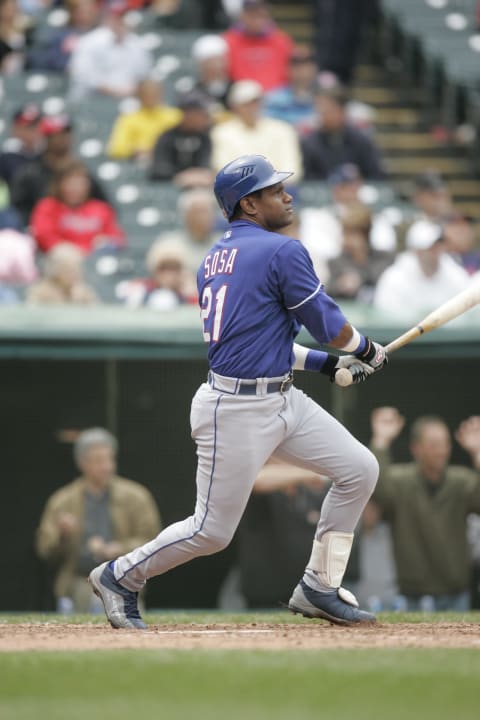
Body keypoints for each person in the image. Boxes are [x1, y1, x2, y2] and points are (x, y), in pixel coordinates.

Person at [88, 153, 388, 629]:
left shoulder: (215, 258)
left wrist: (330, 367)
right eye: (274, 191)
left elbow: (267, 343)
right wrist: (365, 349)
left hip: (280, 396)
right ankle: (119, 575)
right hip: (236, 407)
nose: (286, 196)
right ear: (248, 204)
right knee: (211, 532)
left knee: (358, 469)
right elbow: (331, 326)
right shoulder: (281, 250)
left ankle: (319, 585)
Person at [36, 427, 161, 613]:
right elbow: (45, 550)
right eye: (98, 461)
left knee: (122, 611)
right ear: (82, 463)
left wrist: (119, 548)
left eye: (109, 459)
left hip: (122, 580)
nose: (107, 466)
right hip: (79, 581)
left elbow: (155, 542)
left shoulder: (136, 497)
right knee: (88, 599)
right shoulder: (62, 501)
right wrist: (61, 534)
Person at [369, 407, 480, 611]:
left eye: (445, 444)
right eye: (434, 445)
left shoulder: (461, 481)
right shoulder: (401, 481)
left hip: (456, 592)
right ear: (416, 448)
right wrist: (381, 441)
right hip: (412, 593)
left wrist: (478, 453)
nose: (442, 450)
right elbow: (377, 487)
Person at [232, 458, 361, 609]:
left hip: (307, 596)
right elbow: (257, 481)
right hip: (266, 595)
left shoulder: (308, 493)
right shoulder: (260, 491)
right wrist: (308, 473)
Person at [10, 113, 109, 226]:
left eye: (65, 134)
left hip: (80, 231)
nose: (62, 139)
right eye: (55, 135)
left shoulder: (81, 171)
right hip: (41, 232)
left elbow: (104, 207)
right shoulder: (31, 173)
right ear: (46, 138)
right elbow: (19, 209)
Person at [373, 219, 469, 319]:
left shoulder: (455, 274)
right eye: (430, 247)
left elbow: (467, 315)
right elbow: (387, 318)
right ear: (416, 251)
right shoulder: (394, 278)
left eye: (439, 244)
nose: (435, 251)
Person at [210, 79, 303, 180]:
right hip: (239, 191)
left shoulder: (283, 129)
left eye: (255, 102)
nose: (252, 108)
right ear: (234, 107)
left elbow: (292, 169)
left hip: (279, 189)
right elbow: (223, 168)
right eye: (246, 104)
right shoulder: (221, 132)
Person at [29, 160, 125, 254]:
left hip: (95, 259)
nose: (76, 188)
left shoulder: (101, 208)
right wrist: (79, 250)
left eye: (80, 183)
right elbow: (46, 239)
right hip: (62, 261)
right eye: (71, 183)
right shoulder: (47, 207)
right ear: (59, 185)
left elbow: (117, 238)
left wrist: (107, 241)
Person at [68, 0, 152, 102]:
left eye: (122, 16)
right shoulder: (90, 41)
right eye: (116, 17)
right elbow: (81, 75)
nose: (119, 21)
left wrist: (133, 90)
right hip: (92, 100)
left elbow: (144, 75)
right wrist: (113, 90)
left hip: (127, 100)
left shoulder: (137, 43)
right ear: (107, 18)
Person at [301, 84, 385, 181]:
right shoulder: (310, 144)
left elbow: (376, 176)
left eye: (329, 110)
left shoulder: (361, 141)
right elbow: (308, 180)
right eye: (320, 110)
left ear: (342, 111)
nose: (324, 115)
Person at [325, 205, 395, 303]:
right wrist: (340, 285)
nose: (347, 239)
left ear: (365, 235)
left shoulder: (385, 258)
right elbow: (328, 290)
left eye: (352, 234)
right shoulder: (336, 262)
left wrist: (359, 278)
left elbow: (382, 280)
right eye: (345, 233)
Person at [222, 0, 294, 91]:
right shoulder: (228, 41)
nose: (257, 20)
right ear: (242, 15)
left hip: (277, 99)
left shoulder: (282, 41)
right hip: (241, 98)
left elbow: (290, 72)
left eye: (261, 15)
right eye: (252, 15)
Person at [106, 78, 183, 163]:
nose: (150, 97)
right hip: (140, 161)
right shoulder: (129, 119)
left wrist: (157, 151)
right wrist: (138, 150)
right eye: (146, 94)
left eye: (154, 94)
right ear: (139, 95)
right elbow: (116, 149)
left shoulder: (175, 116)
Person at [149, 91, 213, 188]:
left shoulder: (205, 138)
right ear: (187, 114)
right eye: (199, 114)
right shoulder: (167, 136)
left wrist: (194, 176)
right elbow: (159, 167)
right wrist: (180, 176)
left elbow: (205, 165)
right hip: (168, 185)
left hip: (197, 185)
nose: (204, 118)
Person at [155, 188, 223, 271]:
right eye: (200, 212)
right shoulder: (167, 246)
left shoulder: (227, 244)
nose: (207, 217)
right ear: (186, 216)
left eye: (210, 211)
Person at [116, 240, 197, 309]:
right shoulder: (142, 289)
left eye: (174, 269)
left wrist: (191, 294)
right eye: (164, 268)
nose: (168, 275)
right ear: (155, 271)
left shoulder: (189, 293)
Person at [25, 0, 101, 72]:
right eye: (80, 12)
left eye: (88, 12)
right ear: (73, 13)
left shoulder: (102, 35)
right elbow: (54, 60)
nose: (84, 16)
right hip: (66, 78)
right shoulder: (62, 35)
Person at [264, 45, 318, 134]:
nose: (302, 71)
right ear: (287, 69)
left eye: (306, 65)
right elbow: (268, 127)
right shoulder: (274, 99)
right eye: (296, 66)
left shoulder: (325, 96)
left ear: (314, 68)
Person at [26, 242, 99, 304]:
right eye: (68, 270)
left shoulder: (84, 292)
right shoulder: (40, 292)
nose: (73, 274)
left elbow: (97, 314)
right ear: (55, 270)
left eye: (76, 270)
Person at [0, 104, 43, 189]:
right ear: (15, 129)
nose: (33, 131)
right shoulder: (6, 158)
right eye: (28, 127)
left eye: (36, 126)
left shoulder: (47, 156)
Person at [190, 33, 232, 118]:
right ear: (201, 64)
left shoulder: (235, 88)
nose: (217, 66)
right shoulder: (192, 93)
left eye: (220, 60)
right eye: (211, 61)